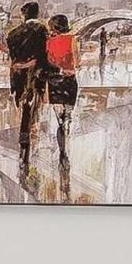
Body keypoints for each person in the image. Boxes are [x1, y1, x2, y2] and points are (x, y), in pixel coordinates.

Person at [5, 1, 51, 187]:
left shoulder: (12, 34)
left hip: (17, 75)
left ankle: (24, 140)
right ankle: (27, 138)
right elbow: (44, 55)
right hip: (35, 75)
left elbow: (13, 57)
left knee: (23, 106)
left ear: (23, 15)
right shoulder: (41, 30)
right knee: (32, 108)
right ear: (37, 13)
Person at [46, 14, 80, 199]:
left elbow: (48, 63)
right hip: (69, 81)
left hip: (55, 83)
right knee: (68, 115)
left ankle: (62, 151)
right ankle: (66, 128)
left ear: (54, 27)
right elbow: (78, 61)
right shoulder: (73, 40)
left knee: (59, 119)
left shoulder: (49, 43)